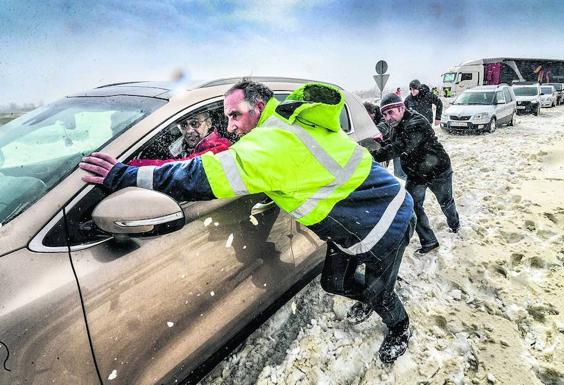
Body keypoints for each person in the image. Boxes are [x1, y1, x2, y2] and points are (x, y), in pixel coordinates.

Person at [79, 81, 416, 363]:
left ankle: (400, 326)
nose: (229, 126)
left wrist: (123, 175)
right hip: (360, 221)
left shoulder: (269, 143)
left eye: (235, 115)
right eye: (227, 117)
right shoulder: (285, 125)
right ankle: (374, 296)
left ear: (259, 106)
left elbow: (198, 176)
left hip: (386, 223)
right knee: (334, 283)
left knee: (380, 293)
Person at [371, 93, 460, 254]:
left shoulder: (416, 123)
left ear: (402, 108)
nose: (387, 117)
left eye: (391, 112)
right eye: (384, 114)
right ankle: (429, 241)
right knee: (413, 207)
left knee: (446, 202)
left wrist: (371, 156)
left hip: (438, 171)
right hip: (416, 175)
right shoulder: (398, 124)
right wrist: (382, 143)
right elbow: (395, 143)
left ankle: (454, 225)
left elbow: (401, 146)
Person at [128, 111, 232, 166]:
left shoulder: (220, 147)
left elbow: (180, 167)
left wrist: (132, 166)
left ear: (208, 123)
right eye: (183, 125)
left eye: (195, 123)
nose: (189, 130)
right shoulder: (178, 147)